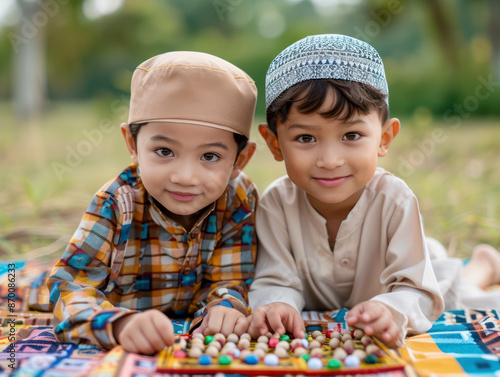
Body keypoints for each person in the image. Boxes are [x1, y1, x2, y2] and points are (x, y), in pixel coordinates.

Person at [247, 34, 500, 348]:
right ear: (274, 143)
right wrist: (278, 305)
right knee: (439, 277)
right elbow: (275, 278)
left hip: (391, 278)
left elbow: (417, 290)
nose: (330, 161)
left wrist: (392, 310)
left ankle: (484, 265)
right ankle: (458, 258)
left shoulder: (394, 199)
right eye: (306, 138)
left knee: (448, 292)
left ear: (384, 137)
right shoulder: (275, 204)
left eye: (351, 135)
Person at [46, 51, 259, 355]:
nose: (185, 177)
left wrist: (225, 305)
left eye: (210, 156)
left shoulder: (239, 199)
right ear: (132, 145)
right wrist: (118, 325)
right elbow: (70, 287)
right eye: (164, 151)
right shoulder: (116, 203)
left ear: (240, 159)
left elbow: (232, 278)